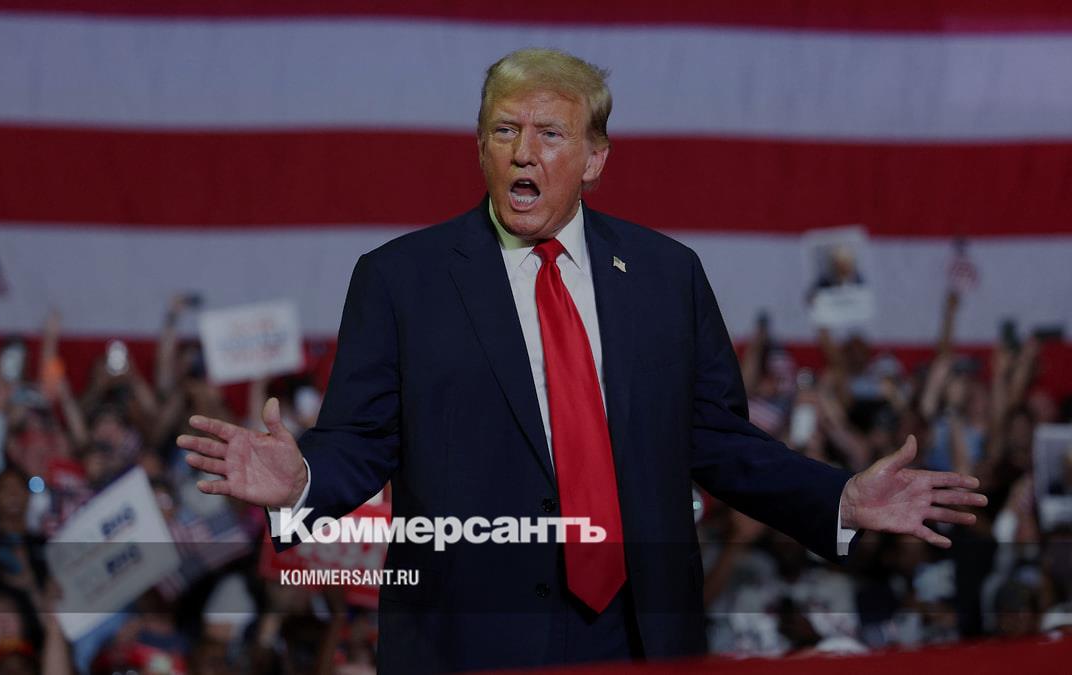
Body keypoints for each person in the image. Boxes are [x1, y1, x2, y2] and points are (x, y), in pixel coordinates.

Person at [178, 48, 985, 673]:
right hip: (470, 642)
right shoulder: (401, 280)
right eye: (504, 131)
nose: (523, 153)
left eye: (549, 134)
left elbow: (718, 441)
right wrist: (302, 478)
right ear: (480, 147)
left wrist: (836, 496)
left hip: (639, 634)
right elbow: (359, 439)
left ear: (595, 158)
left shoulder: (667, 276)